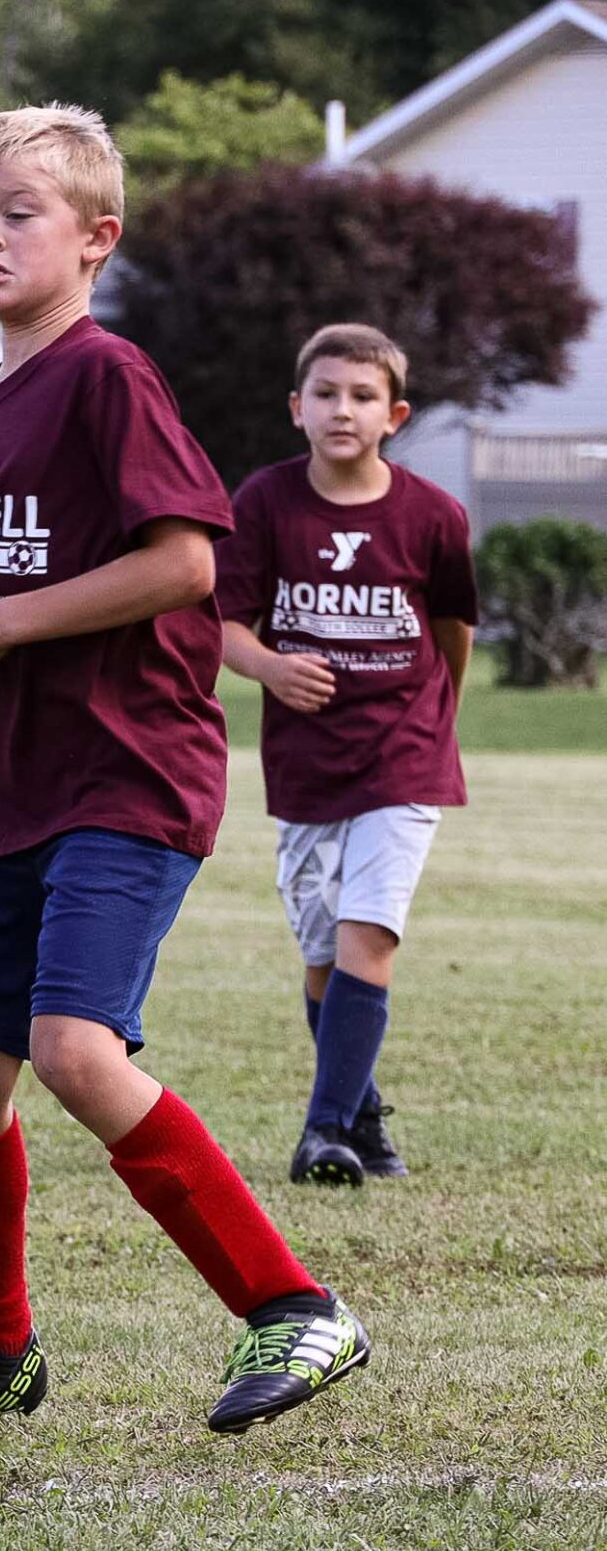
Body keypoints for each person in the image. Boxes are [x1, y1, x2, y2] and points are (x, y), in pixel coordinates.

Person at [0, 104, 369, 1436]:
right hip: (15, 784)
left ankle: (295, 1306)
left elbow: (189, 563)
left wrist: (7, 620)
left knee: (74, 1048)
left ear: (96, 238)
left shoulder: (104, 374)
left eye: (18, 214)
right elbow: (33, 571)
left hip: (126, 771)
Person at [215, 323, 478, 1187]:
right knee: (324, 946)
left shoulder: (434, 516)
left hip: (404, 756)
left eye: (363, 396)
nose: (343, 409)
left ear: (394, 414)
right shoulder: (264, 502)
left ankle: (322, 1132)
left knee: (371, 930)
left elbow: (452, 634)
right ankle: (363, 1117)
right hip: (306, 763)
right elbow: (219, 624)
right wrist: (270, 669)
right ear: (297, 408)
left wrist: (436, 720)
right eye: (326, 394)